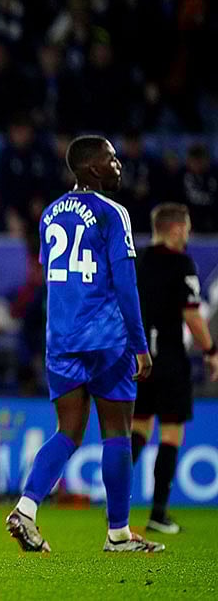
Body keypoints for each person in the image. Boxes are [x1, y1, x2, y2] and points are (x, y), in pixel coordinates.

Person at [6, 136, 163, 554]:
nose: (119, 166)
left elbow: (51, 276)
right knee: (117, 432)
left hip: (60, 338)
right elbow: (126, 285)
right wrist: (140, 344)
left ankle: (25, 509)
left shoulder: (50, 213)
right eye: (111, 160)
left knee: (68, 431)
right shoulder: (113, 214)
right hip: (106, 338)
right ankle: (117, 535)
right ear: (91, 168)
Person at [131, 203, 218, 534]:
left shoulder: (137, 262)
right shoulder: (181, 263)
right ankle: (158, 513)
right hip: (169, 359)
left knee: (139, 429)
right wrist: (211, 350)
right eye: (187, 227)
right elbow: (193, 315)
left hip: (140, 359)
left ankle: (115, 505)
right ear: (177, 228)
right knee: (170, 432)